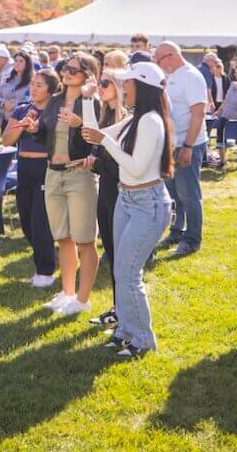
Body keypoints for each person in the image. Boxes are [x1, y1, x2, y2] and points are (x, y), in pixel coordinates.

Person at [81, 61, 174, 358]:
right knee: (122, 271)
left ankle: (143, 338)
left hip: (148, 203)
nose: (123, 88)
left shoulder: (150, 122)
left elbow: (134, 165)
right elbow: (92, 132)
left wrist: (106, 141)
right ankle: (125, 331)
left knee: (128, 272)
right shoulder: (137, 118)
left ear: (141, 86)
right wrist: (86, 99)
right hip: (128, 199)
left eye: (128, 83)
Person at [30, 52, 102, 313]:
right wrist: (35, 130)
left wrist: (80, 121)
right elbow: (47, 137)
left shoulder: (91, 101)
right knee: (63, 238)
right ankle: (67, 292)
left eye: (74, 69)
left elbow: (100, 137)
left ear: (87, 74)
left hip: (79, 174)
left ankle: (82, 301)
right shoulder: (54, 101)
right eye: (66, 68)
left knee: (84, 240)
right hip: (53, 172)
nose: (67, 72)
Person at [3, 68, 61, 288]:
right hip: (24, 168)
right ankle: (46, 255)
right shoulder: (22, 109)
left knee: (40, 220)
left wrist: (37, 128)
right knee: (26, 220)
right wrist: (22, 124)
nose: (33, 88)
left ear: (51, 90)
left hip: (45, 168)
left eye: (39, 85)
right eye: (33, 84)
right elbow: (7, 140)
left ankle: (45, 272)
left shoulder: (56, 111)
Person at [154, 41, 207, 256]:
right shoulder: (172, 76)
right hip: (172, 144)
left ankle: (192, 239)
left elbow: (198, 113)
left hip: (188, 143)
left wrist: (188, 146)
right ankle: (177, 230)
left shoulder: (191, 76)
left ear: (170, 55)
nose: (158, 64)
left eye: (158, 60)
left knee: (189, 193)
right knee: (174, 192)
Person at [85, 68, 127, 325]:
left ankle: (124, 311)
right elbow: (92, 137)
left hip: (119, 191)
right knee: (111, 250)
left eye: (105, 83)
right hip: (106, 189)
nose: (100, 86)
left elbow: (117, 164)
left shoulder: (125, 119)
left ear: (120, 87)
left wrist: (95, 163)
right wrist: (89, 100)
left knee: (122, 257)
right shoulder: (106, 115)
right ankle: (118, 308)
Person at [0, 50, 33, 131]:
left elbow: (31, 101)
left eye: (21, 61)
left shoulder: (32, 82)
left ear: (27, 64)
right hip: (5, 120)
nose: (17, 63)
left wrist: (14, 105)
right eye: (15, 60)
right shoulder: (7, 79)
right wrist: (4, 103)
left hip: (21, 121)